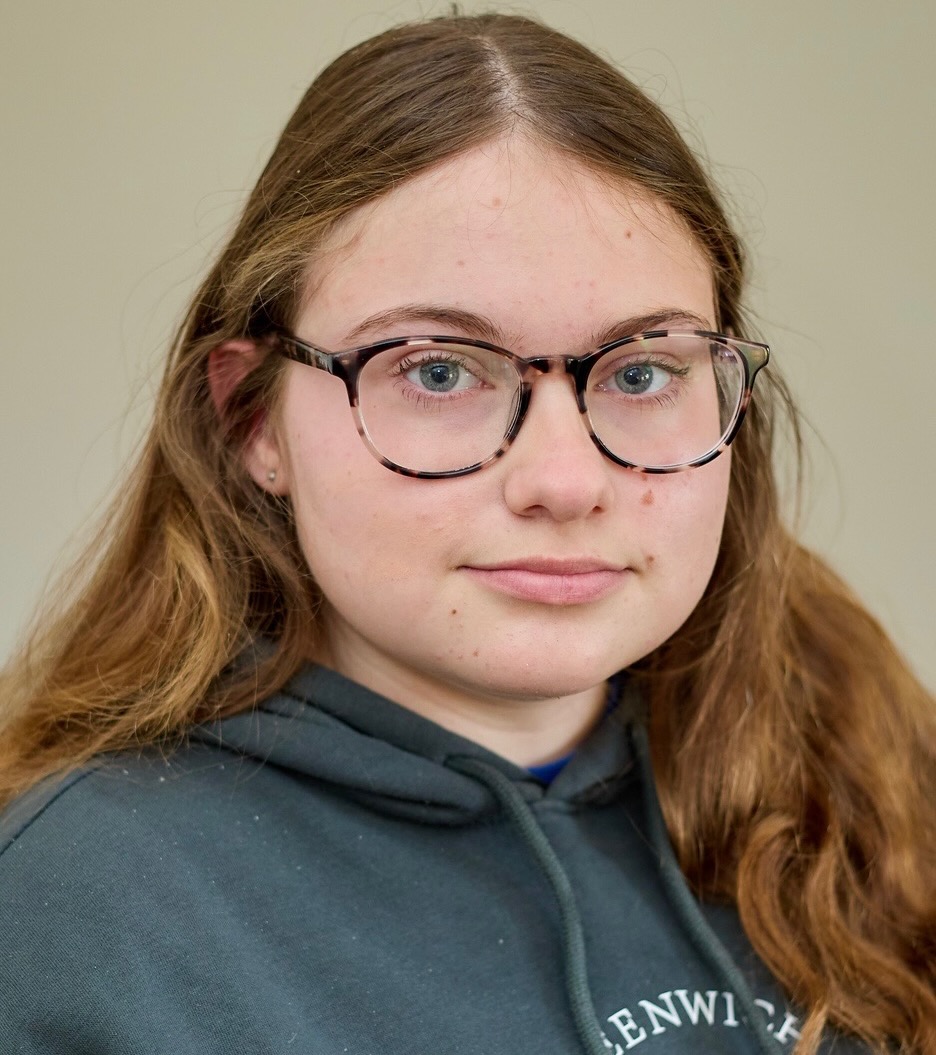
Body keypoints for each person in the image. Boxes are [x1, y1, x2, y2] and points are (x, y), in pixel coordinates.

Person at [0, 12, 932, 1055]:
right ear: (251, 420)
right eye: (439, 371)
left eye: (641, 372)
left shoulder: (879, 791)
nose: (564, 480)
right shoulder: (73, 914)